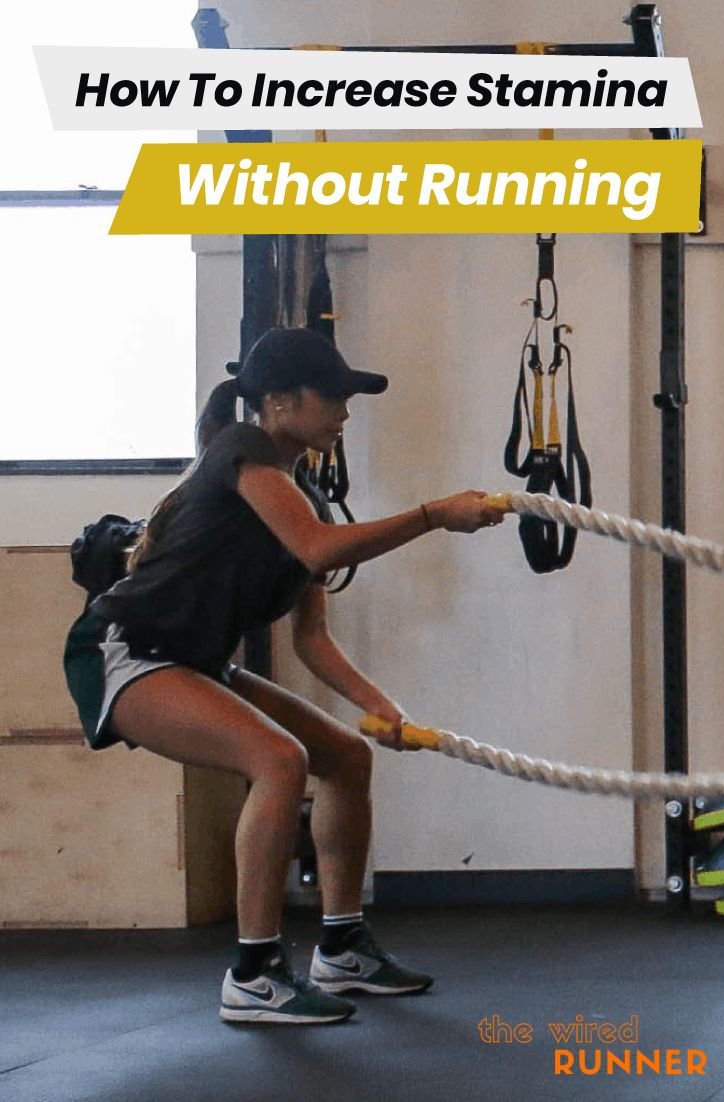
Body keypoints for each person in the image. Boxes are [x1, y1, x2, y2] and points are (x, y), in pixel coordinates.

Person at [64, 326, 506, 1026]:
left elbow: (310, 639)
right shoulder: (242, 452)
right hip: (125, 651)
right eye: (330, 396)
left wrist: (378, 704)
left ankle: (341, 946)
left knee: (345, 755)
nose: (344, 410)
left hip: (196, 661)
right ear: (276, 402)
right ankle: (254, 973)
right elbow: (315, 548)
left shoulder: (308, 497)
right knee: (278, 760)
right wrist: (430, 516)